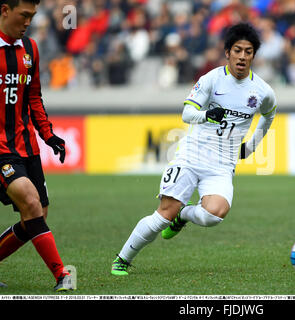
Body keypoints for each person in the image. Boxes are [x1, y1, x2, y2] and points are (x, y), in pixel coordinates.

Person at [111, 23, 277, 275]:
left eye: (249, 51)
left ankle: (184, 215)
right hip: (192, 155)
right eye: (237, 50)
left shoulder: (263, 91)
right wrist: (206, 115)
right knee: (163, 214)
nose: (242, 56)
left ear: (254, 55)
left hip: (223, 163)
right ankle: (122, 259)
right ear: (227, 52)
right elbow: (187, 113)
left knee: (215, 214)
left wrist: (251, 147)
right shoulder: (211, 79)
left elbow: (268, 116)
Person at [0, 0, 73, 291]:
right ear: (5, 10)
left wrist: (48, 135)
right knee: (30, 201)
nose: (29, 21)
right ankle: (62, 275)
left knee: (37, 217)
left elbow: (33, 98)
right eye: (24, 15)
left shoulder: (29, 49)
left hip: (25, 146)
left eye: (32, 16)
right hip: (1, 149)